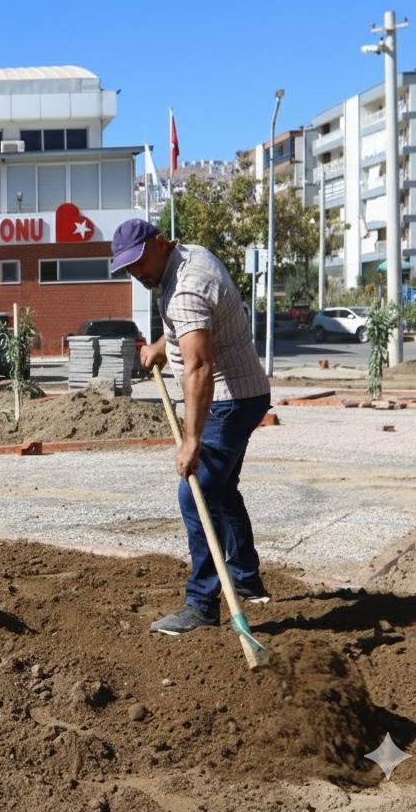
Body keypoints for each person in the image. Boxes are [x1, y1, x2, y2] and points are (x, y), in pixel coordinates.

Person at [109, 218, 272, 636]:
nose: (135, 272)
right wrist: (162, 347)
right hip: (249, 393)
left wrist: (192, 441)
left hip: (227, 401)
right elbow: (198, 329)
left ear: (160, 243)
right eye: (127, 267)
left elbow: (199, 366)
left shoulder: (184, 289)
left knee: (194, 490)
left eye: (138, 262)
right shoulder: (190, 257)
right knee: (222, 488)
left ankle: (202, 602)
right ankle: (246, 577)